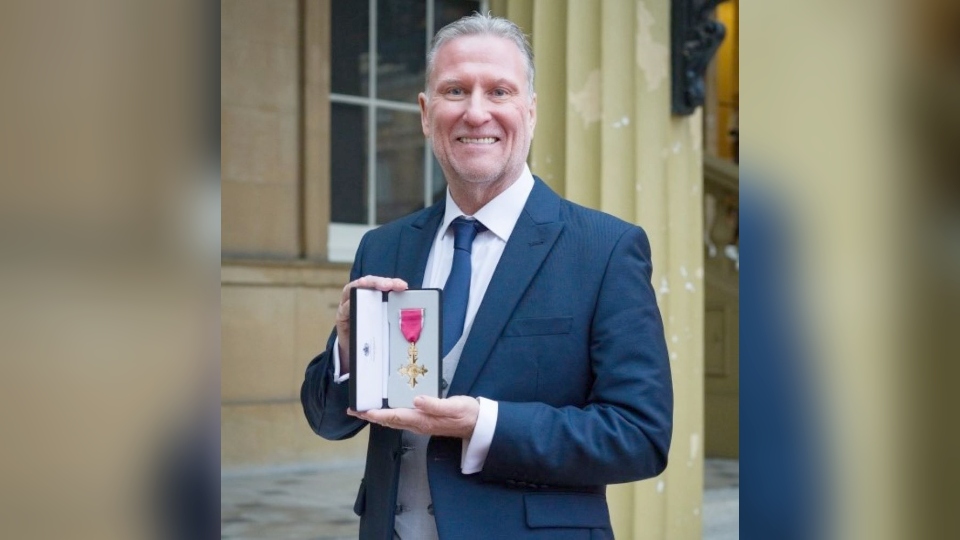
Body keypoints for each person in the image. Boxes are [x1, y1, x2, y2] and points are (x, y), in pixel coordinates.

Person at [302, 13, 672, 540]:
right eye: (455, 91)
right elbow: (329, 420)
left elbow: (640, 437)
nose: (476, 113)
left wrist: (485, 425)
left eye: (499, 91)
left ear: (530, 111)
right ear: (427, 115)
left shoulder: (605, 249)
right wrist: (344, 354)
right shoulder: (384, 246)